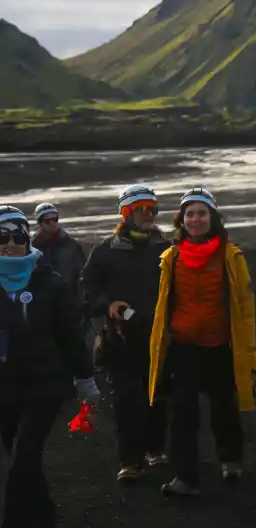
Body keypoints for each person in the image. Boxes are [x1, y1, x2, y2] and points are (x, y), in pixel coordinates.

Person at [147, 188, 256, 496]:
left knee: (224, 405)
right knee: (182, 411)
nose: (195, 219)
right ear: (181, 220)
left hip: (221, 344)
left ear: (213, 218)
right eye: (189, 214)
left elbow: (245, 306)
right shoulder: (171, 258)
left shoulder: (231, 257)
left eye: (201, 213)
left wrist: (250, 352)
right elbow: (164, 303)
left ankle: (230, 459)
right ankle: (186, 476)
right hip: (184, 344)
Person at [0, 206, 100, 528]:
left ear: (27, 239)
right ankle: (45, 518)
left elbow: (69, 335)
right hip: (4, 385)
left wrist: (85, 378)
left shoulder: (49, 282)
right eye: (2, 237)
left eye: (18, 236)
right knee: (21, 457)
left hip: (46, 382)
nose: (11, 244)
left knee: (25, 452)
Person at [79, 184, 171, 483]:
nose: (148, 214)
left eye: (152, 209)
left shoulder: (166, 249)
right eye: (140, 209)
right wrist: (107, 305)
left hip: (160, 337)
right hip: (120, 338)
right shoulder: (104, 252)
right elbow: (86, 289)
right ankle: (130, 461)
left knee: (158, 396)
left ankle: (156, 450)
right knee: (126, 401)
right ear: (126, 213)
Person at [30, 203, 85, 296]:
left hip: (69, 296)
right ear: (40, 223)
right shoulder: (33, 248)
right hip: (43, 297)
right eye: (47, 221)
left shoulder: (71, 245)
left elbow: (83, 272)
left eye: (55, 219)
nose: (52, 224)